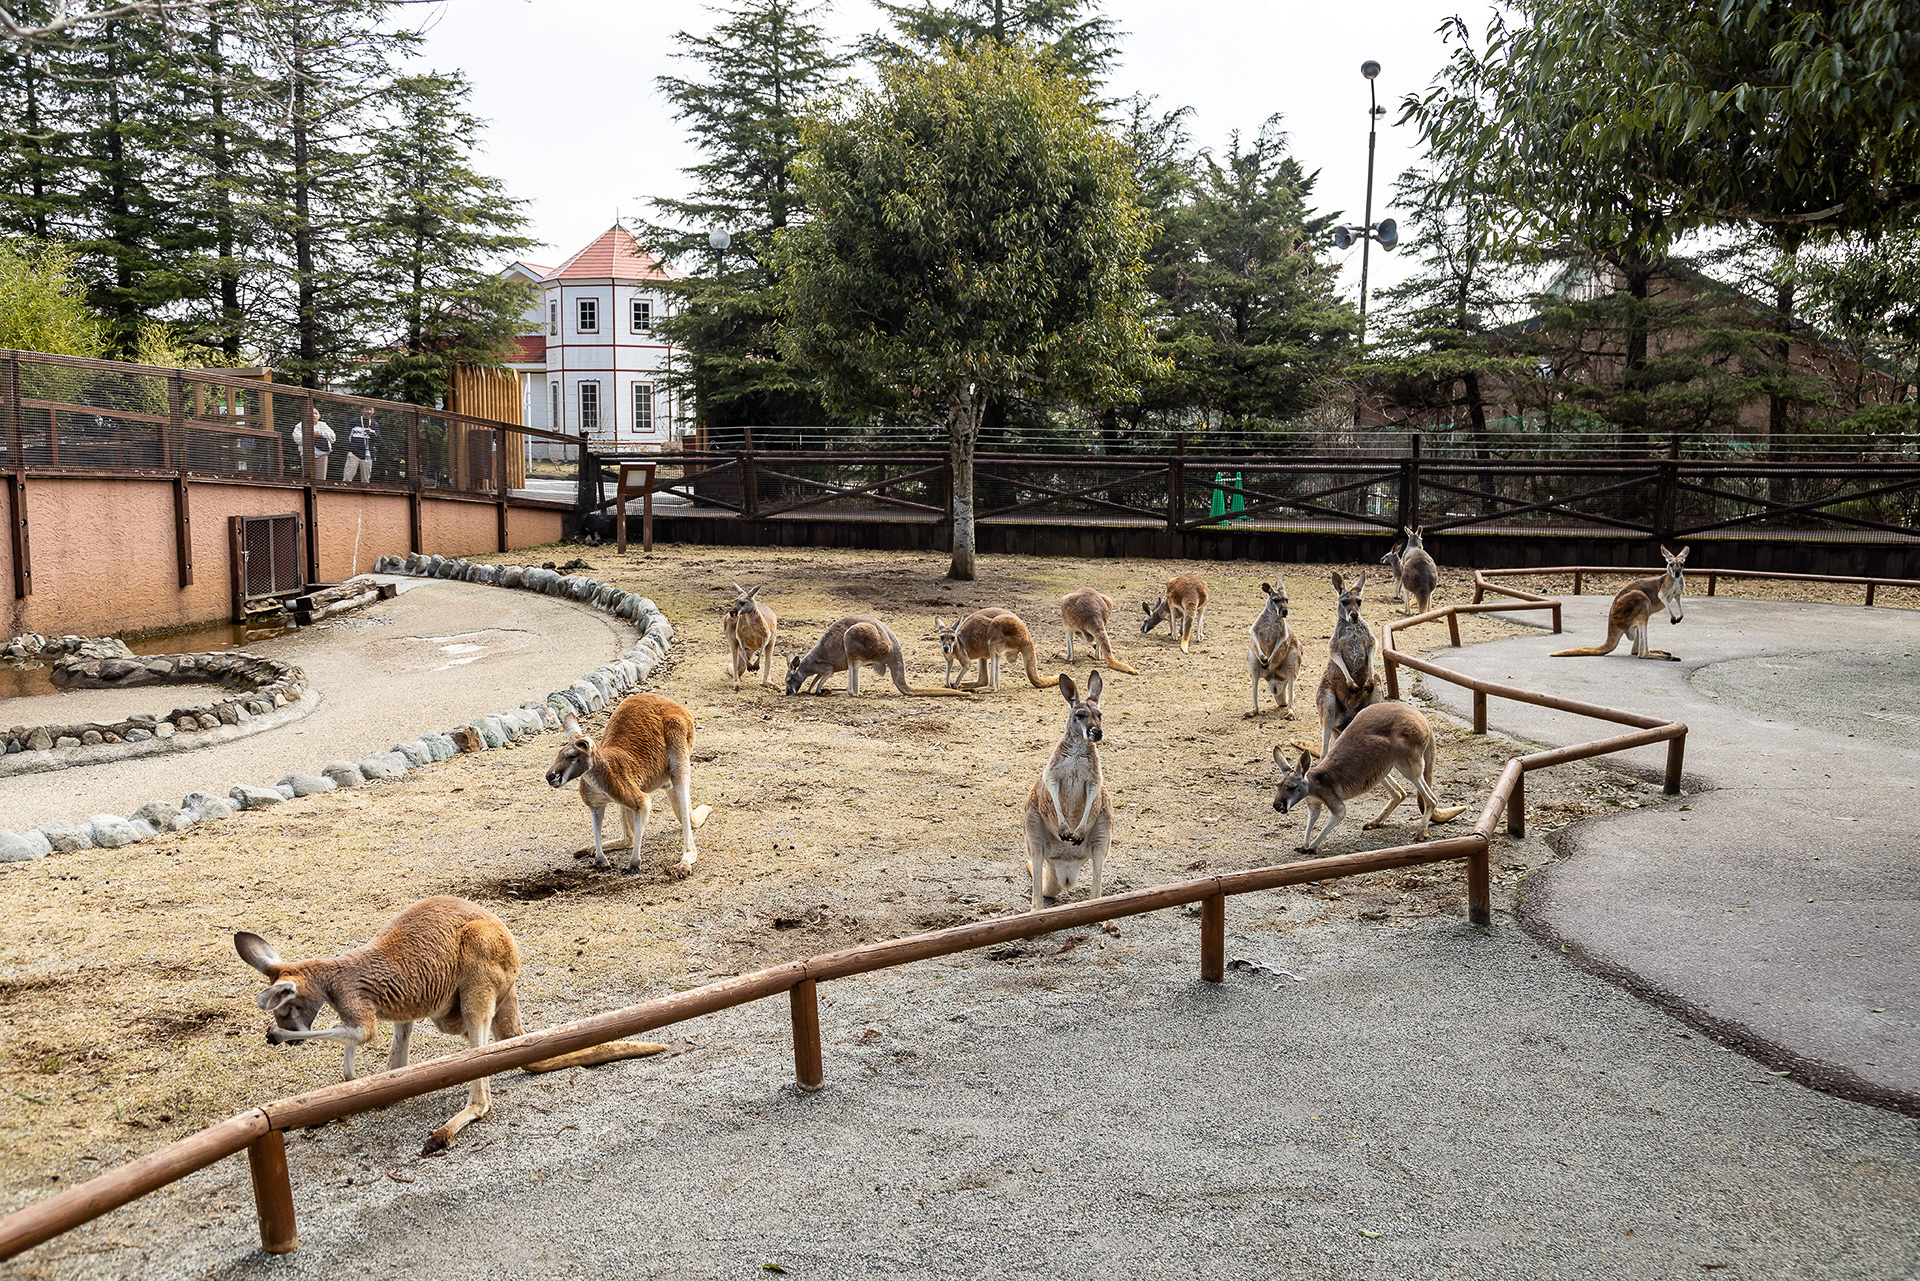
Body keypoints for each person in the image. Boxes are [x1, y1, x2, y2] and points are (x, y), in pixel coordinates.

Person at [291, 405, 335, 481]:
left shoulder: (323, 425)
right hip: (307, 455)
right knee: (308, 478)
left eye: (316, 413)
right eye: (311, 413)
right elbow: (297, 438)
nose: (314, 415)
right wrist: (311, 435)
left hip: (322, 455)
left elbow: (333, 437)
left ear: (319, 416)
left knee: (321, 479)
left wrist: (321, 433)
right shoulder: (300, 425)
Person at [342, 407, 379, 483]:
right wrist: (348, 451)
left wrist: (371, 433)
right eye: (366, 409)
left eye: (370, 410)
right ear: (362, 410)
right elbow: (346, 436)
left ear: (373, 411)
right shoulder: (354, 421)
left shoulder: (374, 424)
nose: (368, 412)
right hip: (354, 453)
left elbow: (378, 439)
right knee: (348, 477)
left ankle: (365, 493)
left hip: (368, 455)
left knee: (366, 479)